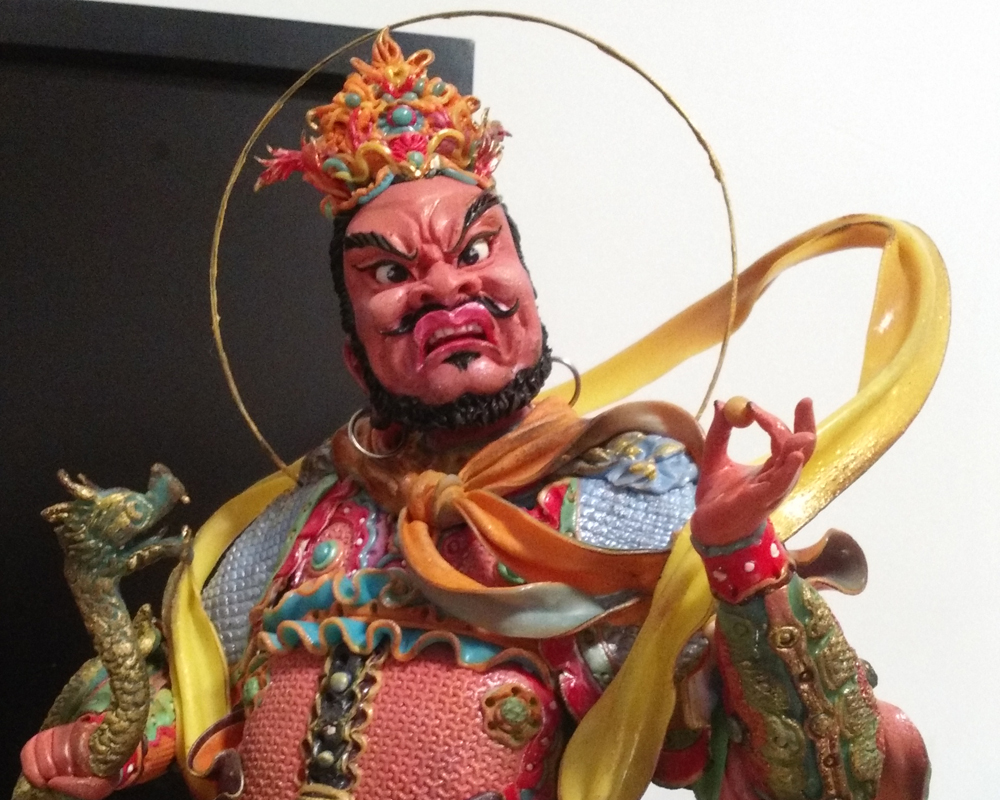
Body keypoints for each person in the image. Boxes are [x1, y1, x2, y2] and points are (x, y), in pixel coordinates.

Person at [16, 30, 935, 800]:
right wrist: (105, 744)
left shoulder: (631, 503)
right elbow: (181, 696)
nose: (445, 288)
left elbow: (834, 780)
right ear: (354, 352)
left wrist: (737, 556)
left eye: (475, 249)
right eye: (391, 272)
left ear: (529, 292)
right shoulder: (295, 526)